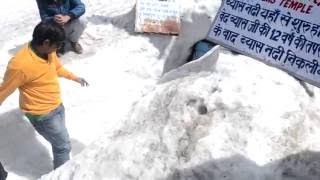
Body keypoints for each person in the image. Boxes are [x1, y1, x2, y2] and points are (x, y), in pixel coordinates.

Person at [0, 21, 89, 169]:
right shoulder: (20, 65)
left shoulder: (48, 51)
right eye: (57, 45)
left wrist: (75, 77)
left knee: (61, 141)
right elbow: (4, 91)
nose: (58, 48)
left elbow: (57, 68)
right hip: (42, 115)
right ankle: (61, 175)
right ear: (46, 42)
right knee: (63, 147)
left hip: (57, 105)